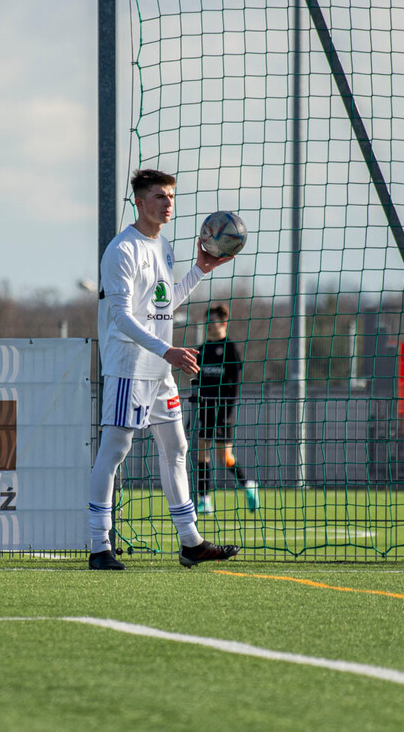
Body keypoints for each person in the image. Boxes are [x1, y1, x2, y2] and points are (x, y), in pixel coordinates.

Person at [88, 169, 239, 570]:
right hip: (128, 367)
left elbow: (161, 304)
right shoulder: (122, 250)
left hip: (160, 371)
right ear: (139, 201)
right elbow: (120, 316)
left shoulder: (165, 247)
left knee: (177, 447)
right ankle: (98, 545)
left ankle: (190, 542)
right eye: (159, 197)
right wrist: (167, 349)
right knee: (115, 450)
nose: (168, 204)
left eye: (171, 196)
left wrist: (198, 272)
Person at [193, 303, 258, 515]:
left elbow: (235, 383)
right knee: (202, 452)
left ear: (223, 323)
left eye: (212, 322)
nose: (209, 326)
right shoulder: (201, 350)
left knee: (224, 457)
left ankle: (248, 484)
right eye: (207, 322)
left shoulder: (229, 349)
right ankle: (205, 500)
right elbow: (198, 381)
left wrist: (228, 411)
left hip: (223, 411)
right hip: (205, 410)